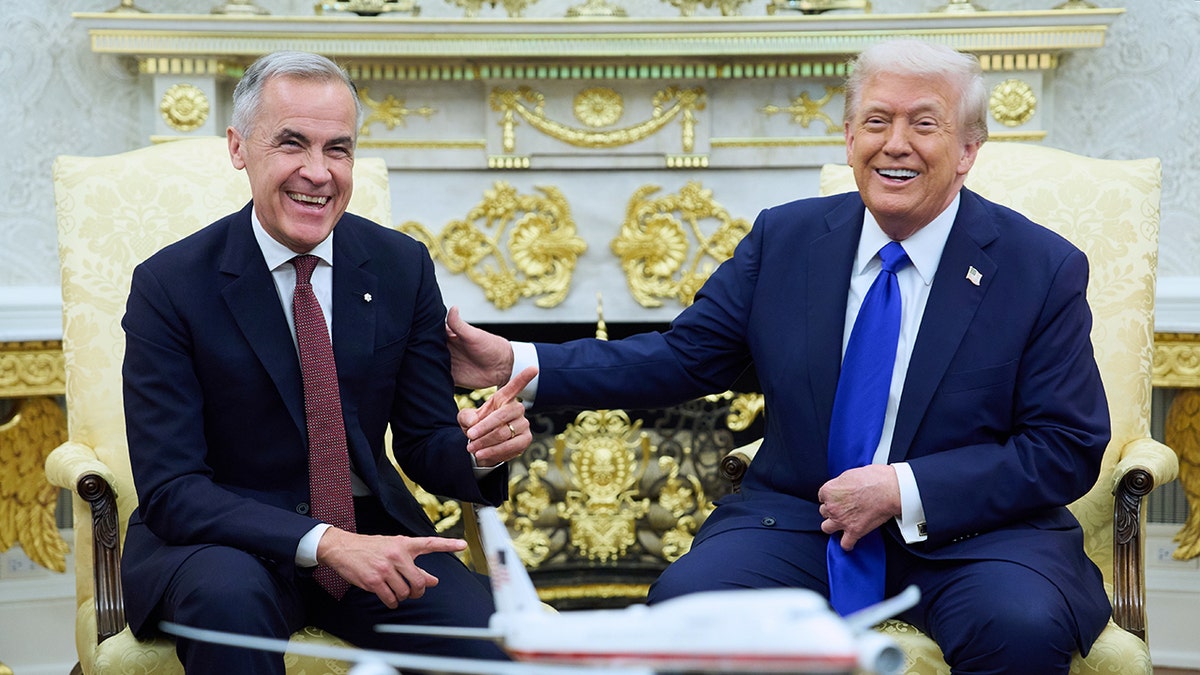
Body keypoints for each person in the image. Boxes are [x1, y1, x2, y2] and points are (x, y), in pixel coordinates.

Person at [451, 38, 1112, 675]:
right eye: (876, 121)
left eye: (924, 124)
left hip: (975, 535)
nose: (895, 143)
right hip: (803, 519)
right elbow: (681, 358)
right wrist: (513, 362)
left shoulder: (1038, 268)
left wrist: (902, 489)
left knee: (1021, 626)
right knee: (689, 611)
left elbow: (1064, 445)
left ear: (968, 149)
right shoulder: (787, 240)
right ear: (850, 137)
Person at [121, 51, 535, 673]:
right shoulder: (170, 284)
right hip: (222, 542)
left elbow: (424, 441)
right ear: (239, 148)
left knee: (493, 648)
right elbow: (172, 489)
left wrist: (478, 451)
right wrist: (324, 544)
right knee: (226, 604)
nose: (317, 172)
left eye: (338, 150)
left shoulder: (401, 266)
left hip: (371, 531)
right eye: (292, 144)